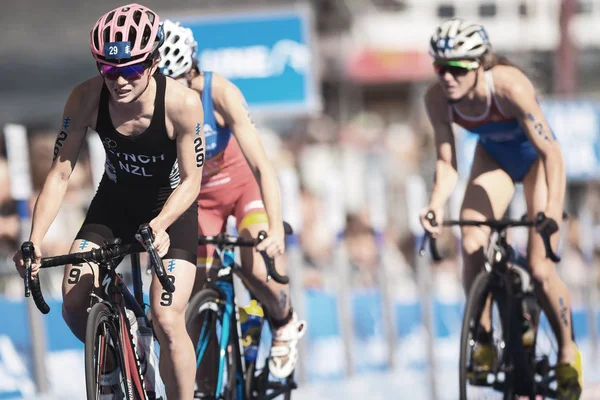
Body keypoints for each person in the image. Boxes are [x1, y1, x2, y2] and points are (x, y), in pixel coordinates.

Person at [13, 4, 205, 399]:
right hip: (114, 205)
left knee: (167, 318)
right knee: (73, 299)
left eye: (131, 69)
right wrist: (33, 240)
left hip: (171, 208)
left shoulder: (182, 104)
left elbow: (192, 180)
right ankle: (115, 358)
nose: (119, 80)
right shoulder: (85, 98)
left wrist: (162, 223)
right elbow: (60, 174)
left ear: (153, 62)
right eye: (108, 68)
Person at [420, 18, 582, 399]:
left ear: (480, 64)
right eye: (440, 67)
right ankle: (485, 338)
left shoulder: (509, 85)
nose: (447, 77)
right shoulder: (436, 100)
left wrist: (553, 212)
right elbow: (446, 164)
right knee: (472, 240)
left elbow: (552, 151)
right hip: (494, 159)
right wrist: (434, 207)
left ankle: (567, 351)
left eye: (458, 67)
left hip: (535, 163)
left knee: (541, 269)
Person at [158, 19, 306, 390]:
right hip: (199, 202)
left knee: (257, 269)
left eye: (179, 82)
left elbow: (262, 165)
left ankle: (284, 322)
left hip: (243, 190)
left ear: (192, 69)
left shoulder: (218, 90)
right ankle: (211, 378)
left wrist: (273, 228)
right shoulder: (153, 104)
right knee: (194, 298)